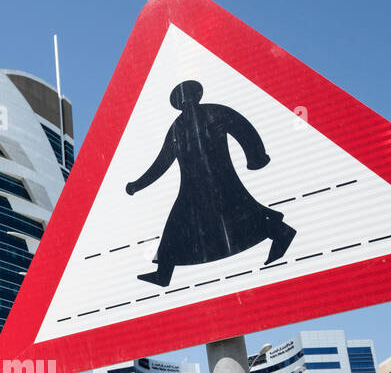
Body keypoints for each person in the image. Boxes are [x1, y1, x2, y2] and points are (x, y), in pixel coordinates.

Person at [126, 79, 296, 287]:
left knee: (242, 215)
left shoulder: (215, 112)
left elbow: (244, 130)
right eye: (182, 100)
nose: (186, 102)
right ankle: (163, 274)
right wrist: (137, 185)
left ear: (197, 96)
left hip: (221, 180)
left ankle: (282, 233)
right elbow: (162, 162)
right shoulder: (177, 128)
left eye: (189, 97)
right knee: (175, 227)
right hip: (191, 189)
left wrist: (256, 157)